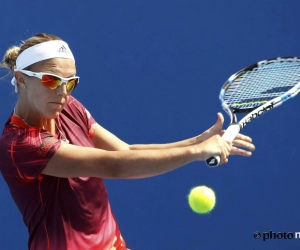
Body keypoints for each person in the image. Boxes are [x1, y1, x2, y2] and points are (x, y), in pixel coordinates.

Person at [0, 33, 255, 250]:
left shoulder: (64, 106)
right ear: (22, 78)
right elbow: (116, 166)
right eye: (51, 80)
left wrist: (197, 141)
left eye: (70, 83)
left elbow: (126, 150)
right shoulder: (20, 145)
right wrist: (197, 152)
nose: (63, 92)